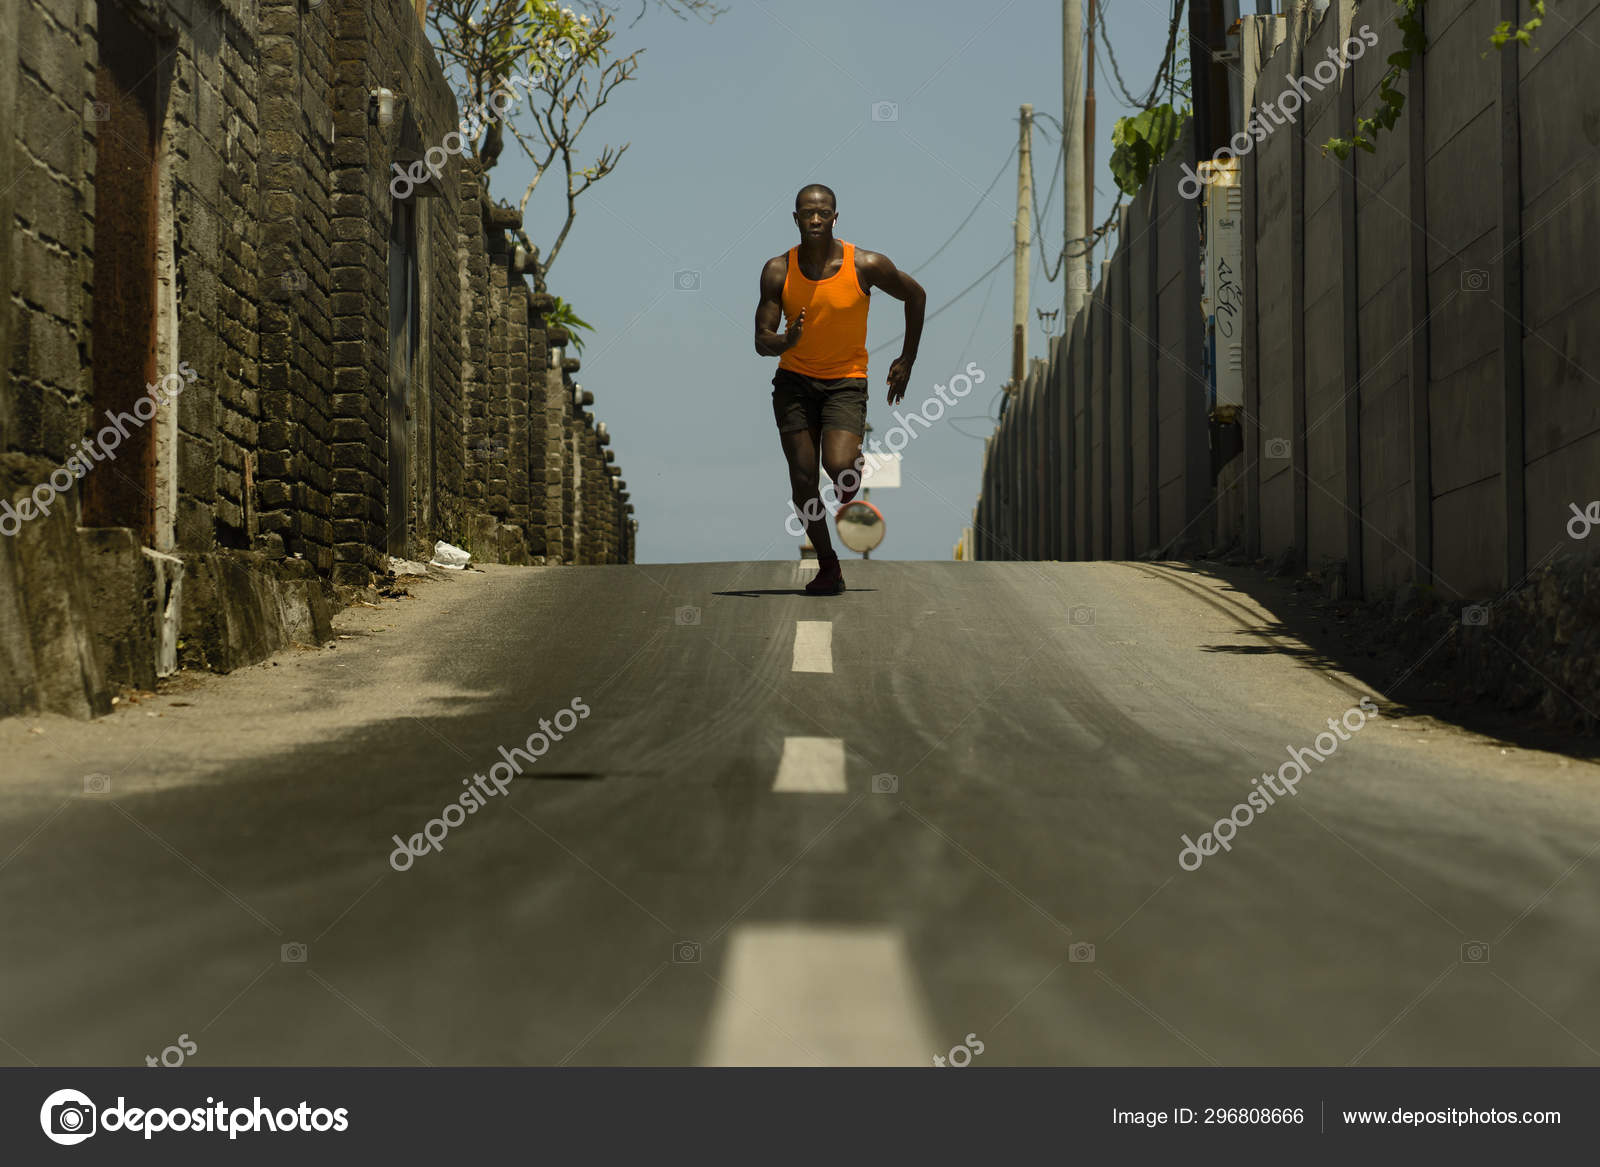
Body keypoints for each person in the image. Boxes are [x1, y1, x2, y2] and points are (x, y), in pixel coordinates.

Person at [753, 183, 926, 594]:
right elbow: (762, 339)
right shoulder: (779, 270)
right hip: (793, 382)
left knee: (839, 466)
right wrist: (786, 342)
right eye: (807, 213)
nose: (815, 219)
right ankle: (829, 566)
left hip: (845, 382)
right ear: (795, 219)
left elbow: (915, 296)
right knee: (802, 479)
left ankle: (850, 471)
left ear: (835, 217)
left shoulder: (865, 265)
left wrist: (907, 360)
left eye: (823, 212)